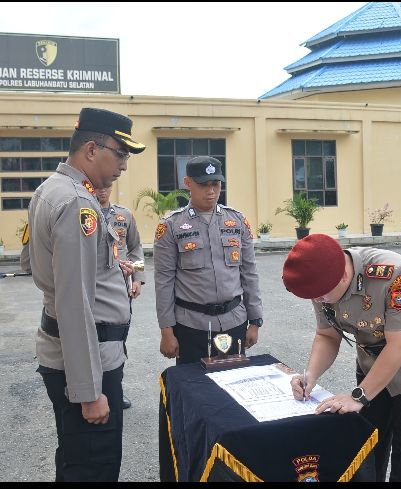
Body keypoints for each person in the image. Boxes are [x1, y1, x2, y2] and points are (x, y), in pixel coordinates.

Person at [28, 107, 145, 481]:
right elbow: (74, 302)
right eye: (121, 154)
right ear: (92, 149)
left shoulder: (52, 189)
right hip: (86, 364)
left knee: (77, 458)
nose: (124, 166)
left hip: (84, 356)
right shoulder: (78, 203)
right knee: (93, 467)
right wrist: (88, 391)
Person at [282, 234, 401, 482]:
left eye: (321, 296)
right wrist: (310, 376)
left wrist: (358, 396)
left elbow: (400, 345)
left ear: (342, 275)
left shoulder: (394, 273)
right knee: (370, 440)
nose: (317, 301)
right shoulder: (322, 281)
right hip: (372, 360)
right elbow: (327, 335)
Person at [154, 156, 263, 365]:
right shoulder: (171, 226)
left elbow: (249, 272)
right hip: (191, 326)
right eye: (203, 184)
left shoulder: (237, 221)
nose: (211, 191)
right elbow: (164, 281)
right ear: (187, 184)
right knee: (195, 390)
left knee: (233, 386)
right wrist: (167, 331)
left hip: (234, 321)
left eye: (215, 184)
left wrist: (255, 321)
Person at [96, 184, 145, 409]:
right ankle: (92, 391)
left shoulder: (123, 215)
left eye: (107, 186)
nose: (103, 190)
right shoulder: (84, 214)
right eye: (98, 186)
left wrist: (137, 279)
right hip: (94, 289)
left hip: (120, 289)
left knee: (118, 342)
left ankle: (115, 390)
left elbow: (136, 248)